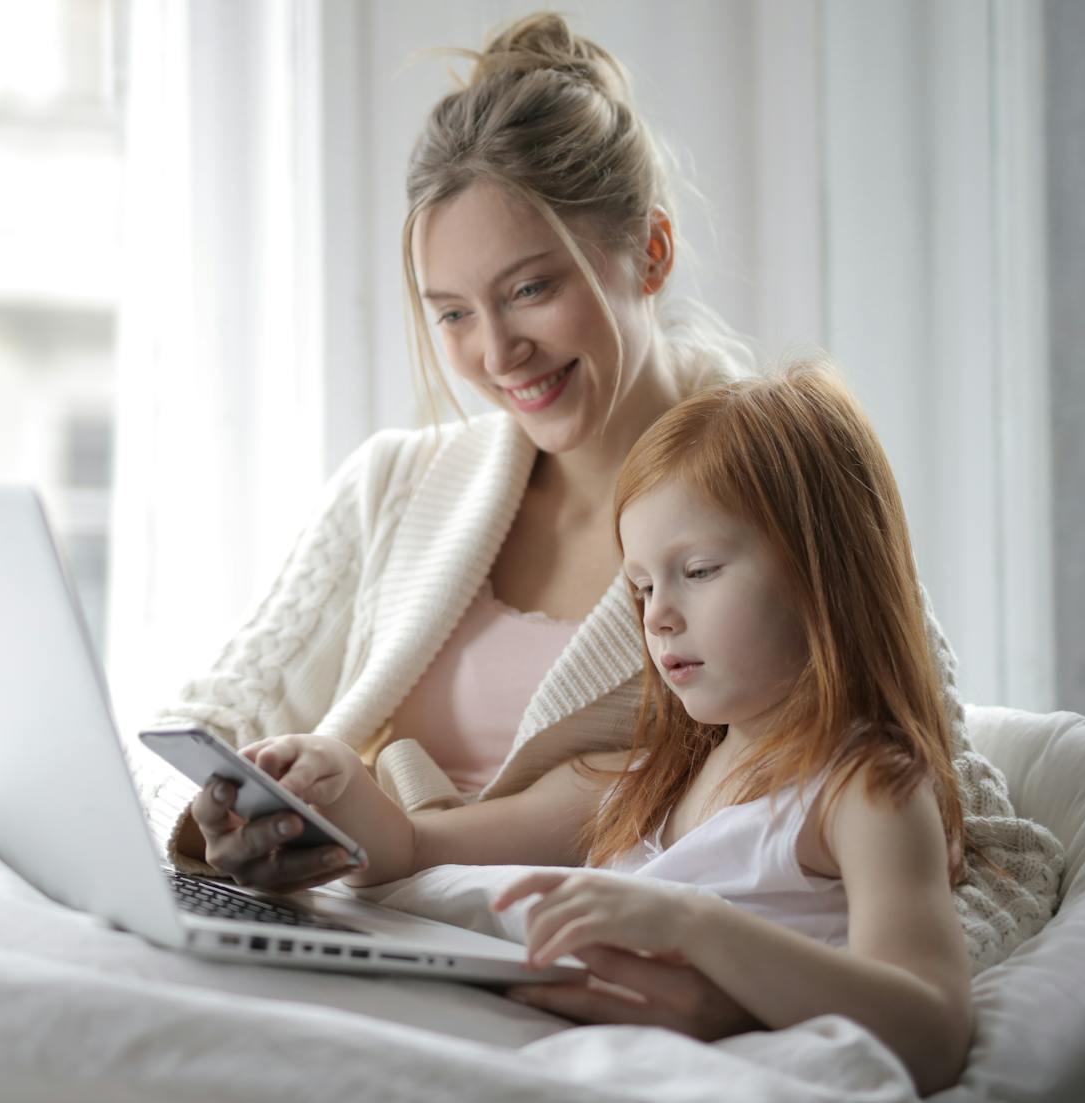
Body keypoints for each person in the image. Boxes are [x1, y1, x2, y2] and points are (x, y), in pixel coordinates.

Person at [139, 12, 1060, 1035]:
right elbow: (199, 729)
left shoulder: (780, 497)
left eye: (530, 288)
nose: (496, 352)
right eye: (451, 312)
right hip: (366, 936)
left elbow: (990, 854)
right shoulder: (396, 486)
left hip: (571, 990)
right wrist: (217, 830)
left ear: (650, 250)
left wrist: (744, 993)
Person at [237, 364, 973, 1093]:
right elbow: (416, 847)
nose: (658, 615)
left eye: (701, 569)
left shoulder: (864, 787)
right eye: (643, 586)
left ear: (825, 572)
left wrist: (692, 926)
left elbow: (932, 1027)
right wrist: (330, 779)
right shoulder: (651, 775)